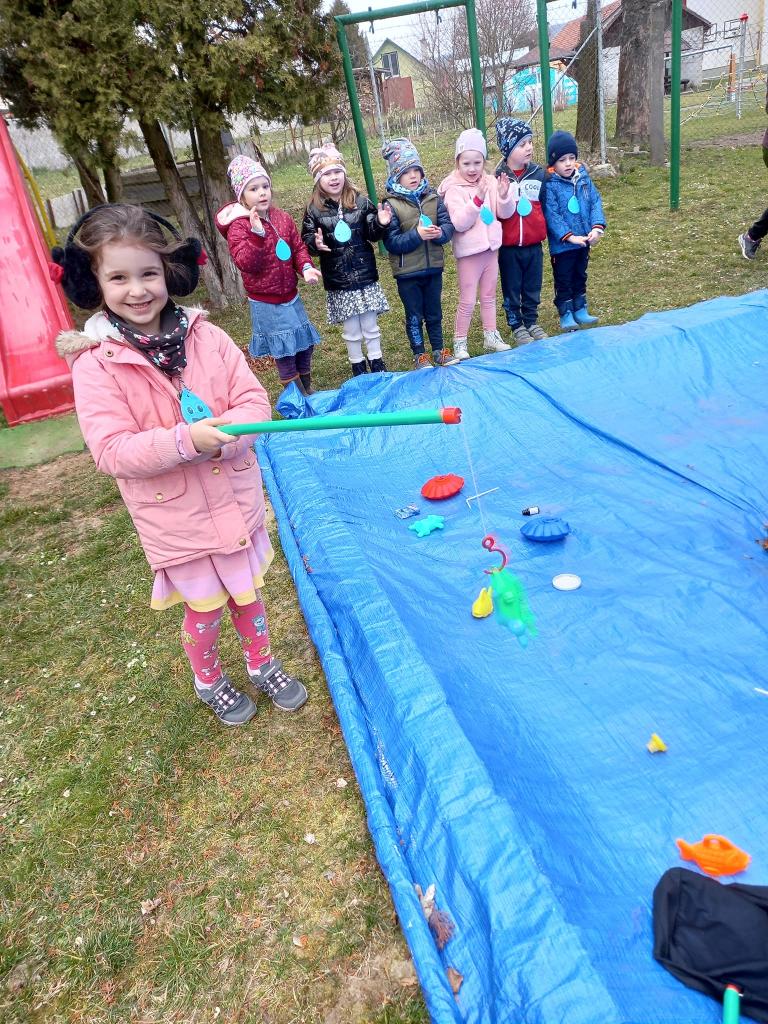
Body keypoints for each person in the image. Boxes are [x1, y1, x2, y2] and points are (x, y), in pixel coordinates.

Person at [51, 204, 308, 727]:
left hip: (235, 502)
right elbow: (112, 450)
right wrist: (185, 441)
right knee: (205, 610)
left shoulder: (209, 338)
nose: (137, 290)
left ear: (171, 271)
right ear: (92, 282)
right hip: (177, 522)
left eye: (148, 273)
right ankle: (208, 678)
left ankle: (261, 663)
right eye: (118, 278)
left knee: (248, 596)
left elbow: (253, 403)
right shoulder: (96, 365)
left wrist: (228, 437)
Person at [215, 155, 322, 395]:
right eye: (253, 189)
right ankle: (297, 397)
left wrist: (305, 267)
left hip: (291, 296)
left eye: (265, 186)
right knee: (285, 351)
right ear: (241, 195)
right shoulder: (239, 226)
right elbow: (246, 263)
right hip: (267, 302)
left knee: (304, 345)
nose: (262, 192)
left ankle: (307, 389)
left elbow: (297, 247)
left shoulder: (281, 217)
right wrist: (257, 235)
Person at [301, 143, 391, 376]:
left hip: (364, 276)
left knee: (370, 325)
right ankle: (357, 365)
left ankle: (377, 361)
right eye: (327, 174)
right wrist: (315, 244)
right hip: (339, 280)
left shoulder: (360, 202)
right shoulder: (313, 209)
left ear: (344, 173)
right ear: (317, 179)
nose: (333, 178)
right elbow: (307, 238)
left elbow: (372, 233)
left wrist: (380, 222)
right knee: (351, 329)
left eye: (337, 171)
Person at [438, 127, 515, 360]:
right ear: (457, 163)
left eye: (477, 163)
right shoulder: (453, 190)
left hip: (491, 249)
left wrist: (504, 195)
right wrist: (477, 200)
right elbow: (459, 223)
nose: (472, 169)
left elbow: (505, 213)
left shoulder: (490, 182)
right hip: (470, 253)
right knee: (468, 299)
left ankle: (491, 335)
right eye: (466, 164)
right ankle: (459, 341)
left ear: (484, 162)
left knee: (489, 295)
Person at [381, 138, 456, 368]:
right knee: (414, 316)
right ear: (396, 176)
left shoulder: (433, 198)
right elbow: (392, 242)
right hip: (408, 274)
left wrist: (440, 233)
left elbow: (448, 225)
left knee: (435, 313)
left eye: (416, 170)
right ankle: (419, 354)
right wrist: (418, 235)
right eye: (406, 172)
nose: (413, 176)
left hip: (433, 269)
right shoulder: (391, 205)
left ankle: (439, 349)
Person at [544, 130, 606, 332]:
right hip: (563, 246)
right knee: (564, 279)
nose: (568, 163)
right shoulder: (550, 185)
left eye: (571, 158)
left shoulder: (583, 179)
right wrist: (569, 237)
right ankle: (566, 312)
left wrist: (596, 227)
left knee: (580, 274)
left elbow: (595, 202)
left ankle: (580, 308)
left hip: (583, 241)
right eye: (562, 160)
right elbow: (552, 214)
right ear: (553, 163)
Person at [494, 118, 548, 345]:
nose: (529, 148)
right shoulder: (497, 178)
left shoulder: (538, 174)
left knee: (533, 285)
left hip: (534, 244)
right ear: (507, 149)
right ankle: (516, 324)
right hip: (509, 248)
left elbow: (545, 205)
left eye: (530, 142)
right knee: (512, 286)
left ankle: (531, 320)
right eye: (522, 144)